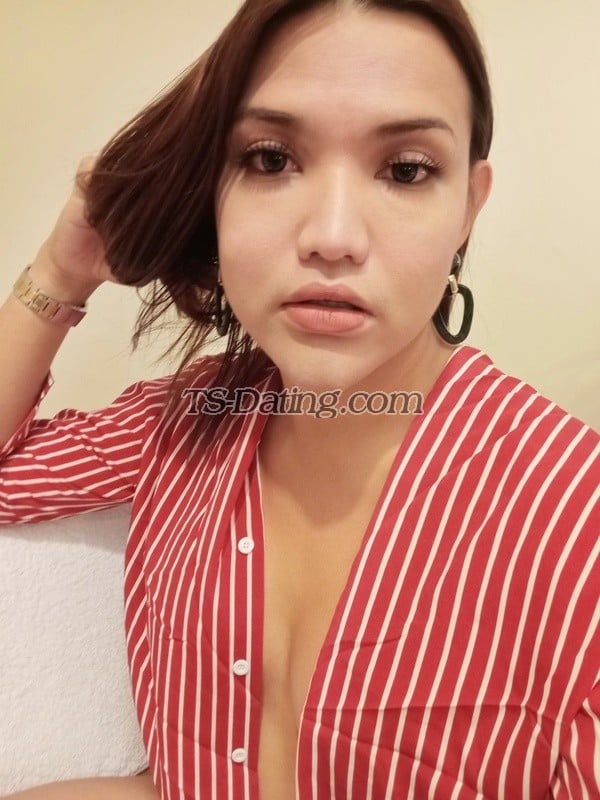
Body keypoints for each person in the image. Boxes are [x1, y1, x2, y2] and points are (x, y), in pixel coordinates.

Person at [0, 0, 598, 798]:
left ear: (468, 207)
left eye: (406, 169)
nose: (333, 236)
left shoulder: (575, 519)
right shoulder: (189, 421)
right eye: (271, 159)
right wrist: (59, 272)